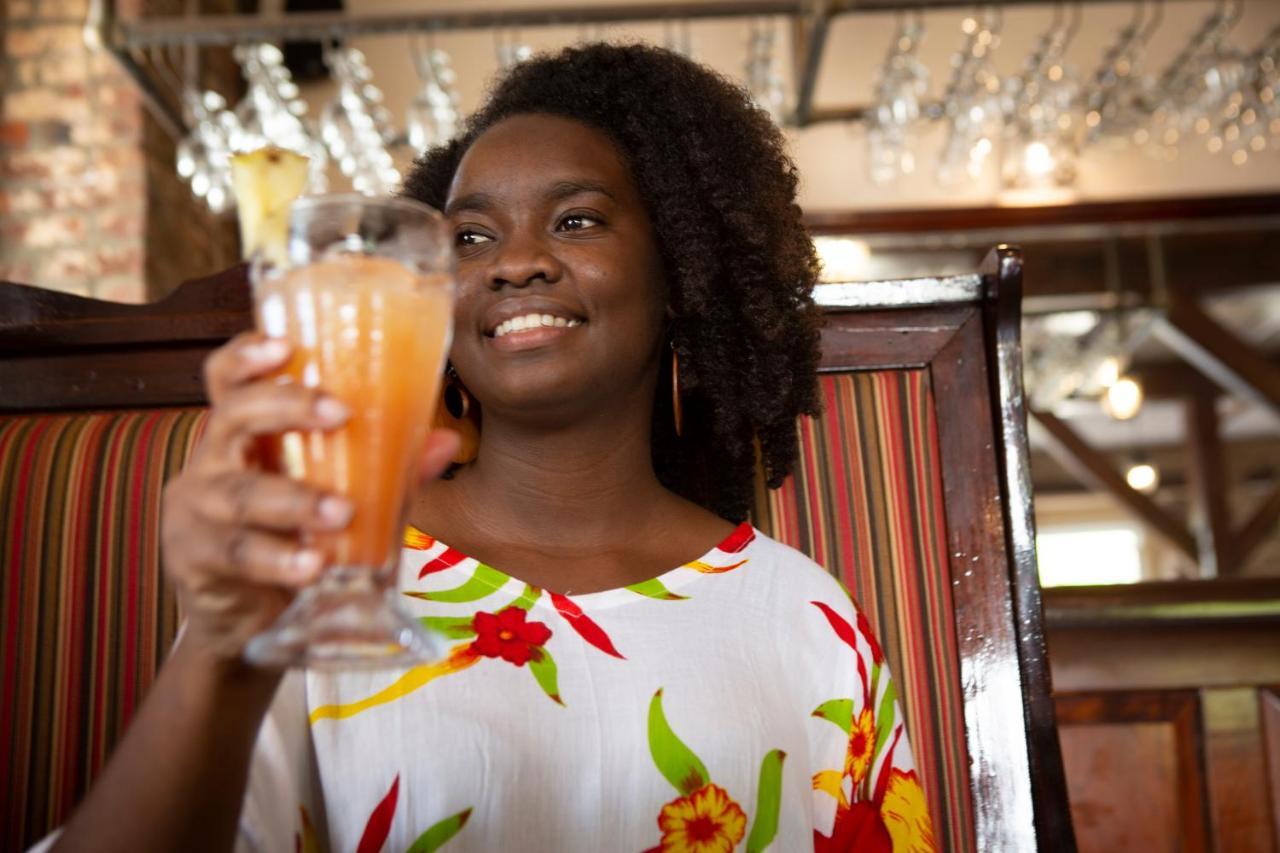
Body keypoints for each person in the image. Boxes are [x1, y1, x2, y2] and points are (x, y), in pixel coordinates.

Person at [46, 43, 934, 852]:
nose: (515, 263)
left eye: (577, 221)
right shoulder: (317, 570)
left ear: (681, 277)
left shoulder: (806, 621)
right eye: (470, 237)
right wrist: (219, 650)